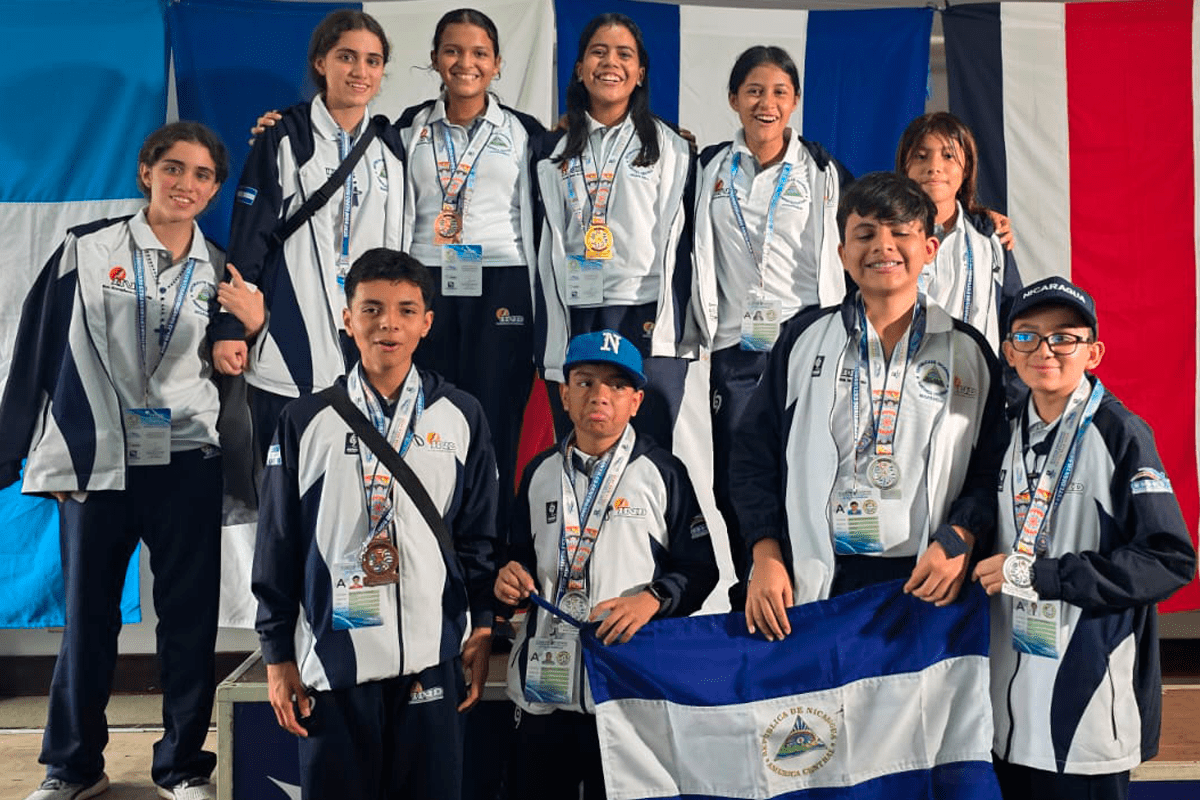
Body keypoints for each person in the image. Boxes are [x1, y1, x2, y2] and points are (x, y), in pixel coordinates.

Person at [0, 122, 230, 800]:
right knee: (89, 615)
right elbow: (36, 353)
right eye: (174, 168)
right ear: (145, 172)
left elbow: (238, 370)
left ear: (215, 189)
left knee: (190, 621)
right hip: (98, 460)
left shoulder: (221, 267)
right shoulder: (87, 250)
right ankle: (72, 766)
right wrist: (11, 450)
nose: (186, 183)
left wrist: (252, 323)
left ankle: (184, 766)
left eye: (202, 175)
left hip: (188, 457)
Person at [252, 248, 498, 800]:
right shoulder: (304, 420)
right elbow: (277, 545)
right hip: (334, 663)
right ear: (347, 318)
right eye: (372, 308)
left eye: (406, 310)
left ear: (427, 323)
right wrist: (276, 656)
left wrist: (481, 626)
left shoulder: (460, 415)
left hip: (431, 660)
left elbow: (478, 536)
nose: (389, 323)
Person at [731, 172, 1007, 638]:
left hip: (927, 576)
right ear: (842, 254)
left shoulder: (969, 351)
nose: (883, 247)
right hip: (819, 581)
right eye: (865, 234)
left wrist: (961, 534)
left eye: (900, 232)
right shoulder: (803, 340)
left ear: (930, 250)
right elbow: (753, 457)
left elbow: (993, 469)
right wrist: (766, 555)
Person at [972, 277, 1195, 800]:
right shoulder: (1003, 430)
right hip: (1006, 707)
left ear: (1093, 352)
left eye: (1064, 337)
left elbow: (1169, 560)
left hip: (1088, 705)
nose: (1045, 350)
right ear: (1009, 351)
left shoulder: (1122, 434)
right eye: (1027, 336)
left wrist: (1041, 575)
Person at [495, 329, 718, 798]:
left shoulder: (662, 472)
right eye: (585, 381)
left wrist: (652, 599)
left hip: (625, 688)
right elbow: (514, 555)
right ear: (564, 394)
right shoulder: (538, 473)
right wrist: (508, 576)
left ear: (636, 401)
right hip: (541, 690)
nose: (599, 395)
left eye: (617, 385)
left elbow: (700, 570)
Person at [691, 45, 852, 602]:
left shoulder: (823, 170)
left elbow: (882, 221)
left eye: (780, 91)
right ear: (734, 99)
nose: (767, 102)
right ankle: (751, 587)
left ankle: (809, 591)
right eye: (755, 90)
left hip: (806, 340)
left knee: (803, 468)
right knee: (735, 474)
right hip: (737, 346)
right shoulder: (707, 167)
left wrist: (975, 215)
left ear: (796, 102)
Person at [212, 9, 406, 459]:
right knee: (283, 495)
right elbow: (249, 239)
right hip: (288, 346)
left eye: (373, 61)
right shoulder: (283, 137)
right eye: (347, 57)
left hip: (369, 348)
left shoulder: (390, 145)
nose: (360, 71)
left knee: (359, 491)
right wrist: (229, 328)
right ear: (321, 62)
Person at [394, 7, 545, 518]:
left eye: (480, 52)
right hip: (425, 281)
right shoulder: (406, 129)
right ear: (435, 59)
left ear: (498, 63)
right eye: (453, 51)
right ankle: (427, 530)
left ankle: (491, 551)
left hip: (502, 283)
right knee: (425, 413)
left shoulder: (526, 132)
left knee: (494, 417)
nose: (466, 62)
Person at [535, 13, 697, 451]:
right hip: (578, 309)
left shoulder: (674, 149)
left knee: (648, 448)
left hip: (643, 311)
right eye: (598, 52)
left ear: (640, 71)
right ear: (580, 67)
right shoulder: (549, 152)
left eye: (624, 54)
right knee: (579, 441)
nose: (611, 63)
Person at [896, 112, 1021, 352]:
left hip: (974, 379)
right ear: (905, 167)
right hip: (900, 380)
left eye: (948, 156)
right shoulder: (886, 237)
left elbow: (1013, 318)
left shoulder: (991, 237)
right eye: (921, 157)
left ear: (966, 169)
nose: (934, 167)